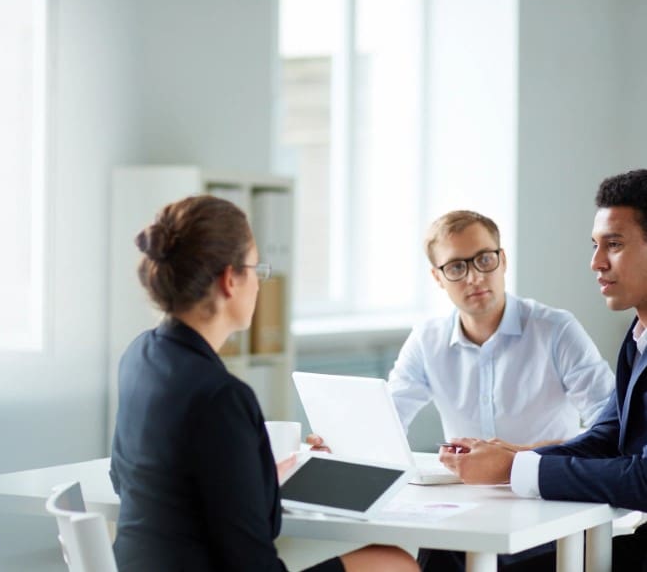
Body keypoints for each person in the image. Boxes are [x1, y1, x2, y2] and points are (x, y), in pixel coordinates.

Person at [109, 195, 421, 572]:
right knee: (395, 561)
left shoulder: (139, 356)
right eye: (256, 270)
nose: (259, 284)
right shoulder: (222, 395)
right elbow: (252, 558)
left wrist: (251, 477)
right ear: (230, 280)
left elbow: (125, 479)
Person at [433, 169, 647, 571]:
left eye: (613, 245)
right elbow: (608, 435)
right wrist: (510, 457)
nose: (595, 263)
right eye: (595, 245)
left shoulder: (557, 327)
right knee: (445, 552)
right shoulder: (638, 339)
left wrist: (515, 466)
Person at [309, 210, 613, 455]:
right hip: (464, 498)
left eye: (484, 260)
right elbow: (389, 420)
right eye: (456, 267)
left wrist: (518, 456)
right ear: (437, 278)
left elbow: (611, 425)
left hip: (549, 489)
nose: (474, 277)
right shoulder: (427, 340)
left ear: (502, 260)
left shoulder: (556, 330)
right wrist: (340, 442)